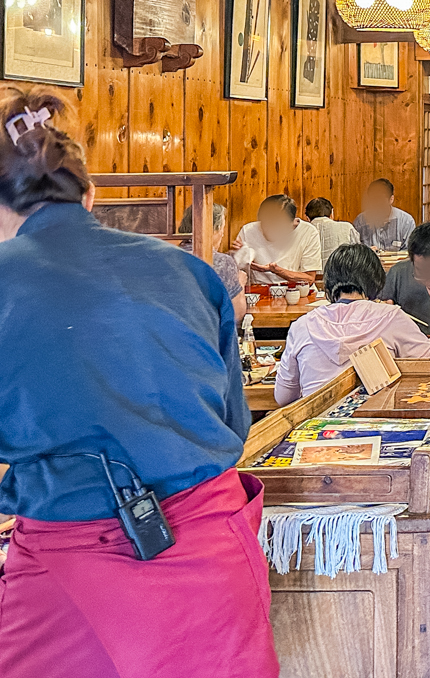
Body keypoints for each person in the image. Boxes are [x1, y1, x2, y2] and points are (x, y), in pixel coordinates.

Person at [0, 88, 277, 677]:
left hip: (66, 552)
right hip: (208, 542)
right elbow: (232, 417)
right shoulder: (189, 271)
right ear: (90, 192)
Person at [275, 243, 430, 404]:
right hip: (377, 423)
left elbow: (283, 397)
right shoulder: (392, 317)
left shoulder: (301, 326)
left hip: (317, 425)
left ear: (329, 282)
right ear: (376, 281)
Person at [178, 201, 246, 324]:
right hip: (208, 336)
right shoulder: (222, 261)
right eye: (222, 228)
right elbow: (236, 314)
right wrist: (240, 282)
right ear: (213, 230)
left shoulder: (168, 255)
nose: (223, 233)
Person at [236, 192, 323, 283]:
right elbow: (236, 270)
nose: (268, 229)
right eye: (265, 223)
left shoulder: (308, 232)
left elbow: (309, 279)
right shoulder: (248, 231)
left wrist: (277, 270)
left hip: (296, 292)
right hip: (260, 292)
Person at [354, 178, 416, 250]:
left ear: (391, 199)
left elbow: (410, 252)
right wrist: (367, 252)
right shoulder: (360, 221)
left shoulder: (406, 221)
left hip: (398, 261)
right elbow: (355, 252)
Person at [305, 196, 359, 262]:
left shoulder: (301, 231)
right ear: (332, 214)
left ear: (307, 218)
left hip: (308, 272)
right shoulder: (347, 227)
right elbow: (359, 255)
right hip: (341, 271)